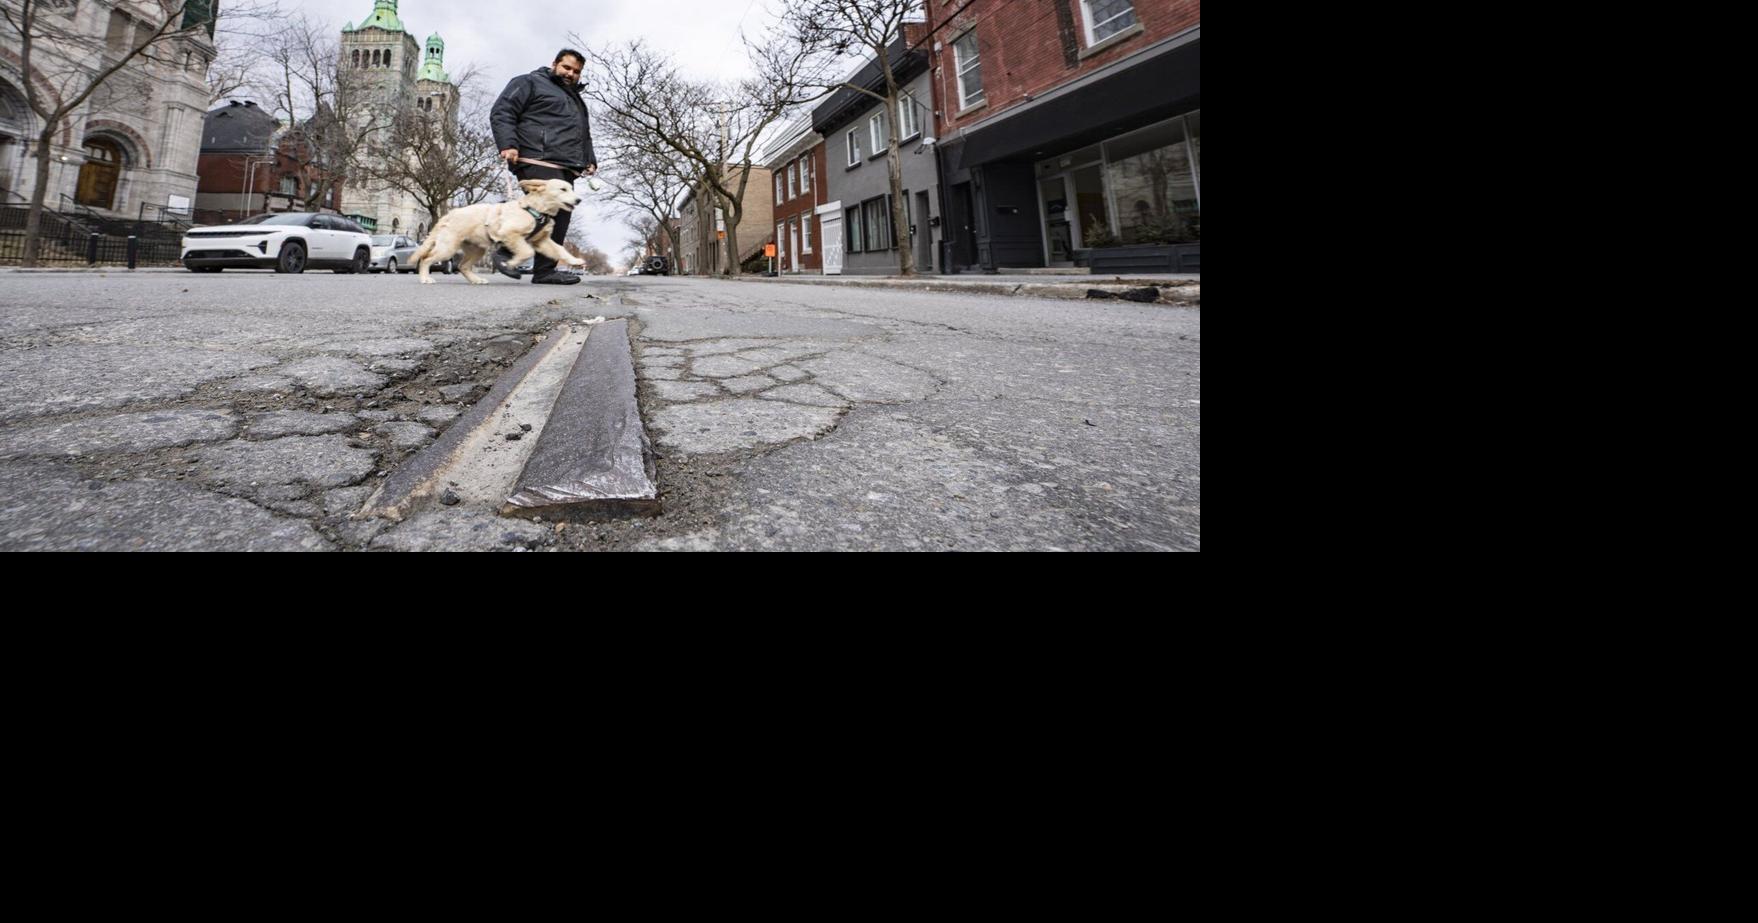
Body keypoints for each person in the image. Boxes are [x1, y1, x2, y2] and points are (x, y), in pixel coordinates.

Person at [489, 48, 598, 284]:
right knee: (542, 212)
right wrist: (508, 144)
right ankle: (507, 252)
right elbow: (503, 111)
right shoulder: (529, 82)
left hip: (565, 165)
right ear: (554, 64)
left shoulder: (575, 100)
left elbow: (583, 134)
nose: (570, 74)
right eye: (566, 67)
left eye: (576, 71)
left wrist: (589, 159)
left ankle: (544, 271)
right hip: (535, 157)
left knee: (560, 216)